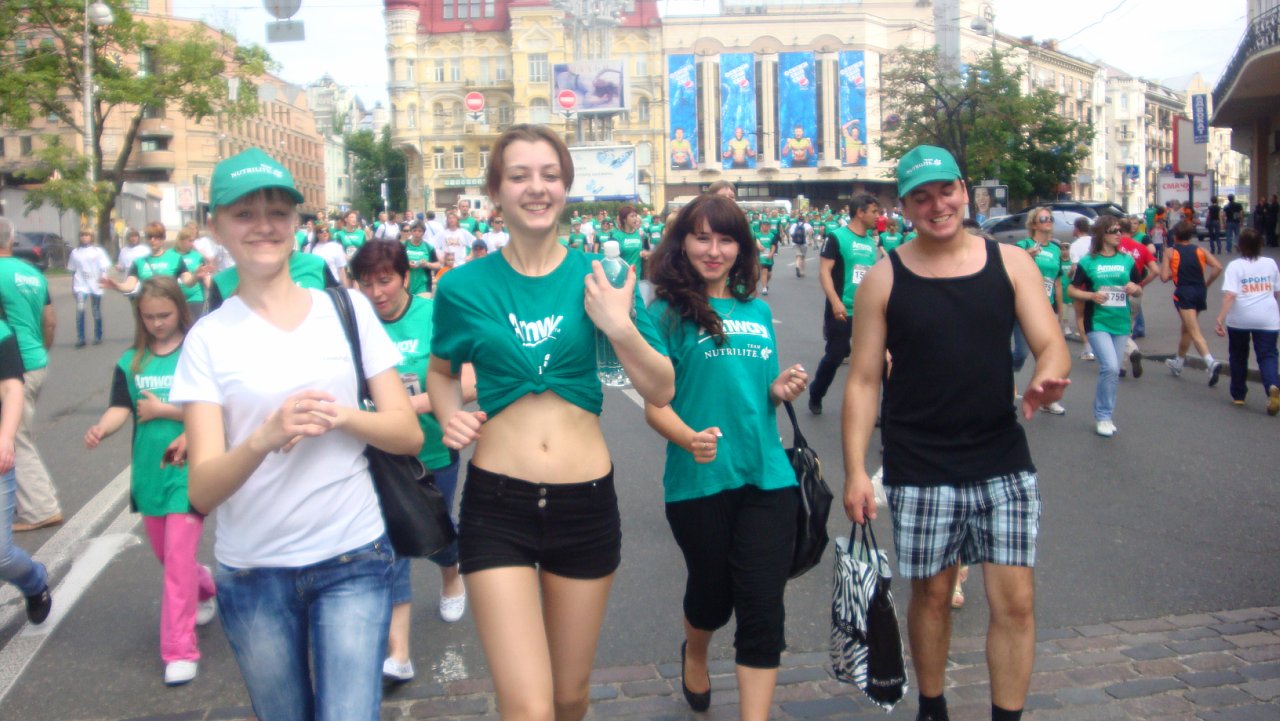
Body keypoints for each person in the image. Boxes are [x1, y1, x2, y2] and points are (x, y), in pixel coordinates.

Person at [425, 124, 674, 721]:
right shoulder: (461, 287)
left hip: (585, 503)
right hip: (497, 505)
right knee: (529, 708)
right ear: (496, 191)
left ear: (566, 188)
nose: (536, 188)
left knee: (568, 698)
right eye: (519, 176)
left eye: (550, 175)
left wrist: (619, 326)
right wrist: (449, 416)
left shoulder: (605, 277)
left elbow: (662, 387)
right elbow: (439, 372)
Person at [171, 147, 423, 721]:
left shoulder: (348, 308)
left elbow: (406, 433)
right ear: (216, 227)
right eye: (244, 213)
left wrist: (341, 417)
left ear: (296, 224)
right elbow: (202, 490)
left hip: (354, 554)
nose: (263, 226)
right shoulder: (207, 338)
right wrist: (264, 436)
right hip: (253, 570)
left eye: (278, 212)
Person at [840, 145, 1070, 721]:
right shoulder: (884, 279)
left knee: (1015, 602)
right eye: (921, 197)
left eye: (945, 191)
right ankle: (933, 706)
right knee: (934, 595)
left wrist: (1046, 377)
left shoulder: (1011, 263)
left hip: (1002, 455)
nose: (937, 205)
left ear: (964, 191)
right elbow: (863, 380)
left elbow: (1051, 343)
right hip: (920, 462)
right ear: (904, 207)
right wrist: (855, 470)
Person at [642, 194, 808, 721]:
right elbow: (655, 405)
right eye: (702, 238)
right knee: (712, 598)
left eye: (726, 239)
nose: (714, 250)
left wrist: (778, 389)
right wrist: (689, 438)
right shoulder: (664, 314)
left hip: (767, 476)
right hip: (698, 480)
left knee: (762, 607)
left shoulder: (756, 310)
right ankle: (695, 650)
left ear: (741, 248)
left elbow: (758, 390)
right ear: (682, 243)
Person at [350, 241, 476, 683]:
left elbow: (470, 381)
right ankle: (398, 652)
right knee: (391, 543)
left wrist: (410, 407)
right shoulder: (354, 323)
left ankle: (451, 575)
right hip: (380, 456)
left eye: (384, 281)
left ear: (406, 277)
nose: (376, 293)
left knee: (437, 534)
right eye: (366, 283)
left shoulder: (434, 315)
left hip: (434, 450)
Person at [84, 277, 217, 685]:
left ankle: (180, 650)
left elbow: (216, 409)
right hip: (148, 473)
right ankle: (204, 585)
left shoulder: (196, 354)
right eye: (149, 317)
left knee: (175, 562)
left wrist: (167, 412)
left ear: (180, 310)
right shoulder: (131, 362)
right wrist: (102, 428)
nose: (158, 323)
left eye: (165, 315)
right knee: (169, 556)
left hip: (188, 471)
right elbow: (120, 408)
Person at [0, 218, 61, 533]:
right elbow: (50, 320)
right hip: (36, 359)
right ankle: (39, 498)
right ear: (12, 240)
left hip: (12, 363)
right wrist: (41, 350)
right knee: (20, 431)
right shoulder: (33, 273)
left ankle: (39, 508)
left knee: (13, 437)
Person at [1068, 219, 1144, 437]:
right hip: (1097, 321)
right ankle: (1102, 416)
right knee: (1110, 367)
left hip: (1121, 322)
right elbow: (1072, 290)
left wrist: (1135, 288)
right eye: (1113, 231)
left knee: (1113, 370)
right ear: (1102, 234)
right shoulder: (1088, 261)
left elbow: (1139, 289)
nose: (1119, 234)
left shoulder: (1126, 260)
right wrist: (1091, 295)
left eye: (1120, 230)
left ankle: (1107, 415)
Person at [809, 193, 879, 415]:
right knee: (835, 356)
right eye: (874, 211)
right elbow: (824, 272)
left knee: (872, 361)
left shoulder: (870, 242)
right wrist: (835, 301)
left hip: (865, 312)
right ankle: (816, 393)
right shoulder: (837, 237)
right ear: (860, 212)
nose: (878, 216)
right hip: (841, 309)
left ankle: (869, 409)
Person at [1213, 229, 1280, 414]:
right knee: (1267, 355)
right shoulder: (1270, 263)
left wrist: (1220, 318)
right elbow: (1276, 292)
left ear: (1240, 246)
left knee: (1238, 355)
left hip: (1240, 318)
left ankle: (1239, 395)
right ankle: (1272, 386)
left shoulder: (1235, 266)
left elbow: (1230, 295)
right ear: (1260, 245)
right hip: (1267, 318)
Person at [1014, 209, 1067, 415]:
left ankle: (1046, 399)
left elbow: (1057, 282)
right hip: (1022, 306)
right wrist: (1027, 256)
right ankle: (1004, 374)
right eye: (1043, 218)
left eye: (1050, 218)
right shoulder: (1024, 245)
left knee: (1049, 354)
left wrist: (1060, 311)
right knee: (1021, 353)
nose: (1048, 221)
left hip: (1045, 307)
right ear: (1033, 224)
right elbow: (1009, 269)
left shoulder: (1055, 250)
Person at [1161, 221, 1225, 384]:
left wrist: (1173, 272)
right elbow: (1218, 267)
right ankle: (1178, 362)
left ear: (1175, 236)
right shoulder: (1200, 250)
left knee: (1194, 331)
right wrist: (1207, 283)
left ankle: (1211, 363)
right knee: (1187, 330)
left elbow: (1163, 277)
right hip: (1200, 291)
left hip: (1185, 293)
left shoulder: (1170, 252)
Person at [101, 222, 201, 297]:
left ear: (163, 238)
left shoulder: (175, 258)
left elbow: (188, 282)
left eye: (157, 237)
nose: (152, 240)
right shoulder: (138, 262)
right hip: (148, 309)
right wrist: (116, 286)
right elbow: (130, 285)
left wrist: (196, 276)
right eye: (149, 237)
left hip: (170, 307)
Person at [1116, 219, 1160, 378]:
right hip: (1135, 291)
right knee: (1127, 327)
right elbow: (1155, 271)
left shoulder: (1114, 246)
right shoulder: (1141, 248)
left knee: (1116, 329)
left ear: (1119, 230)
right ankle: (1121, 365)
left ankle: (1131, 351)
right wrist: (1141, 284)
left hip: (1116, 291)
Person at [67, 230, 111, 348]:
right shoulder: (75, 252)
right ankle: (81, 338)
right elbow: (73, 270)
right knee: (80, 310)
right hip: (81, 285)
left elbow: (104, 268)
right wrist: (73, 287)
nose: (84, 237)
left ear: (91, 237)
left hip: (95, 284)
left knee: (95, 310)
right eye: (82, 235)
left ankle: (98, 336)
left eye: (87, 235)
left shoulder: (98, 251)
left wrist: (103, 280)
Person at [1067, 217, 1095, 357]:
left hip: (1081, 283)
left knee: (1080, 316)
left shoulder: (1075, 245)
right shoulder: (1094, 241)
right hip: (1095, 281)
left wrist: (1068, 275)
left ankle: (1088, 348)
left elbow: (1075, 267)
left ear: (1077, 229)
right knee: (1094, 315)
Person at [755, 219, 776, 296]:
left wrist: (771, 253)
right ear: (761, 226)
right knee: (764, 271)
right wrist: (759, 247)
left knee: (769, 274)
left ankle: (765, 283)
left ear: (769, 226)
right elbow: (756, 242)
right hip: (761, 257)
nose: (765, 226)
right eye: (764, 225)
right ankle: (764, 288)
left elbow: (773, 245)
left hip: (769, 257)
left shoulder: (772, 235)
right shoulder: (757, 235)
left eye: (767, 225)